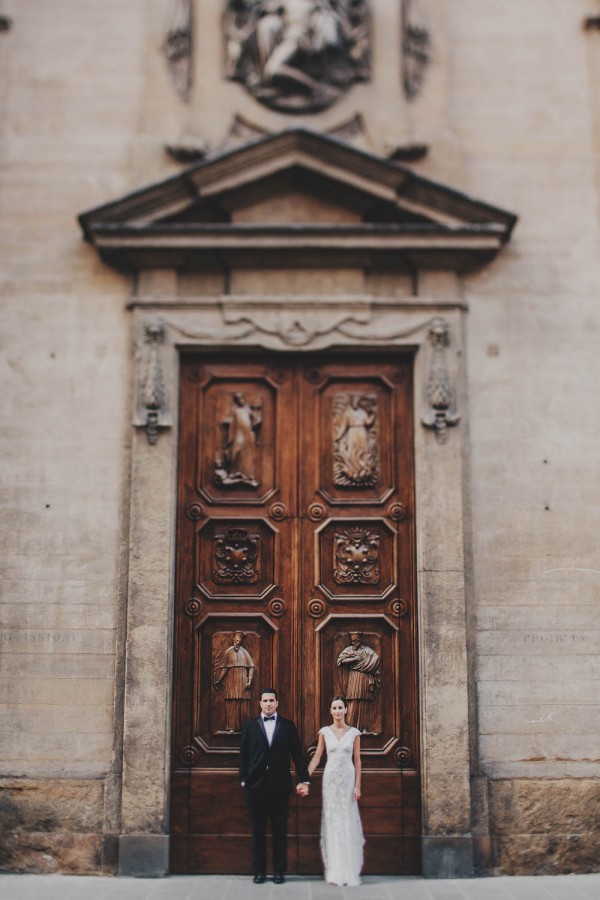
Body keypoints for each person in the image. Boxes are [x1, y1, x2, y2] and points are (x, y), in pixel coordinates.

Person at [239, 688, 310, 884]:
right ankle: (259, 871)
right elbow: (243, 756)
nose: (268, 704)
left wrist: (304, 779)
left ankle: (279, 871)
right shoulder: (249, 726)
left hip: (280, 787)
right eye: (265, 701)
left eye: (272, 700)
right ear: (259, 703)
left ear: (277, 703)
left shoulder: (287, 726)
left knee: (280, 831)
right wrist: (244, 778)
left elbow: (297, 753)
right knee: (258, 830)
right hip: (255, 787)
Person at [308, 696, 364, 886]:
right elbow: (317, 756)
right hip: (330, 780)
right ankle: (334, 869)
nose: (338, 711)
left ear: (346, 710)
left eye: (341, 707)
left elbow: (357, 761)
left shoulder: (354, 733)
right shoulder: (325, 732)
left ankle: (348, 868)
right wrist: (305, 777)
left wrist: (358, 785)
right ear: (330, 711)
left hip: (347, 780)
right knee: (333, 820)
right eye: (335, 708)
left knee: (347, 819)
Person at [336, 632, 380, 733]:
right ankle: (350, 726)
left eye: (357, 641)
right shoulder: (349, 650)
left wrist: (366, 664)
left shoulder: (367, 651)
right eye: (353, 641)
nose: (355, 643)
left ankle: (364, 728)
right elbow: (340, 661)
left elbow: (376, 659)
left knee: (364, 702)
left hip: (364, 677)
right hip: (354, 677)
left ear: (360, 640)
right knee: (353, 701)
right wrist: (354, 658)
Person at [214, 631, 255, 732]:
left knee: (243, 703)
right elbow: (224, 668)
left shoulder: (244, 652)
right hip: (231, 680)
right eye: (236, 641)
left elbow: (251, 666)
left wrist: (249, 680)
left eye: (239, 641)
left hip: (242, 679)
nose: (237, 643)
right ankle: (231, 727)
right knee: (231, 703)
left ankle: (245, 727)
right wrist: (219, 680)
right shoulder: (228, 651)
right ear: (233, 641)